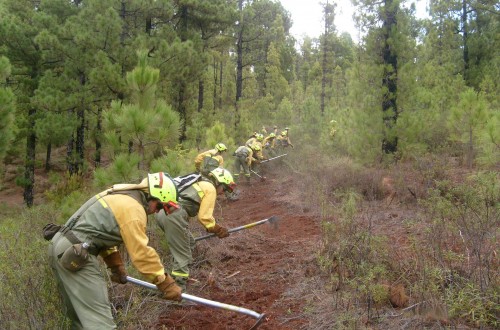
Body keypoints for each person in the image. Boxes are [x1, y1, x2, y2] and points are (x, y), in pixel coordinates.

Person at [47, 172, 182, 329]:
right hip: (76, 253)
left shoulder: (122, 194)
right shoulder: (133, 208)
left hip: (61, 247)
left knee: (80, 322)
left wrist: (115, 265)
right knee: (101, 323)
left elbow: (102, 232)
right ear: (153, 195)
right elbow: (141, 253)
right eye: (159, 206)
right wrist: (164, 282)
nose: (157, 211)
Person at [155, 168, 236, 290]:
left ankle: (175, 277)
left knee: (189, 243)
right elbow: (205, 218)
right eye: (224, 188)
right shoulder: (210, 188)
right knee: (183, 255)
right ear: (219, 182)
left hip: (162, 213)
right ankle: (179, 291)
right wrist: (218, 229)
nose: (222, 193)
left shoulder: (197, 181)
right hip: (173, 215)